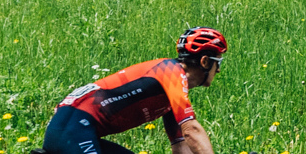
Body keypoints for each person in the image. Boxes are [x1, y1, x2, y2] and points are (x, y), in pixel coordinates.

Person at [45, 27, 226, 154]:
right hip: (73, 127)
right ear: (205, 61)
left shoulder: (172, 91)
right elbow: (192, 130)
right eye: (217, 62)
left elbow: (181, 145)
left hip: (74, 128)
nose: (218, 70)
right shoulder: (170, 72)